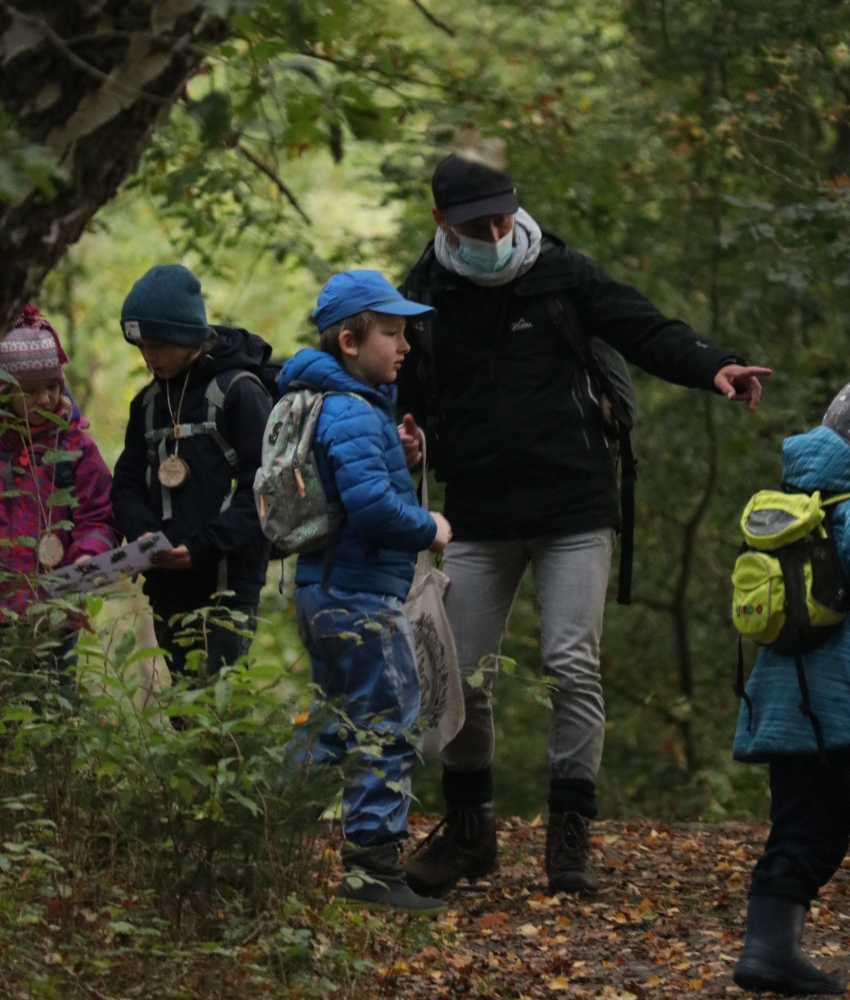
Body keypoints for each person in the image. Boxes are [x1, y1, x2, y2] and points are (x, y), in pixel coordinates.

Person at [396, 153, 771, 898]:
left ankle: (570, 840)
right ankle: (470, 831)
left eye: (503, 216)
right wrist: (403, 439)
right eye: (478, 224)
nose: (496, 232)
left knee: (572, 661)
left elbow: (644, 327)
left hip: (574, 505)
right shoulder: (421, 297)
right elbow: (394, 390)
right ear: (443, 222)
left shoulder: (563, 273)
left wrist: (715, 367)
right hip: (474, 514)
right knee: (458, 673)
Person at [281, 269, 451, 911]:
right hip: (358, 597)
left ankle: (257, 826)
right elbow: (375, 511)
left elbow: (352, 488)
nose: (404, 345)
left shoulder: (338, 403)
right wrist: (428, 527)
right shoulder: (351, 408)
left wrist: (398, 458)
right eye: (391, 332)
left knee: (334, 721)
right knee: (388, 718)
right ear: (349, 341)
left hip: (325, 590)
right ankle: (373, 870)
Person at [731, 388, 850, 996]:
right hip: (842, 711)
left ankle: (767, 950)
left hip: (788, 711)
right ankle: (770, 952)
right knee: (814, 832)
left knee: (803, 830)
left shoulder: (789, 510)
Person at [111, 264, 273, 678]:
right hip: (167, 581)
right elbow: (127, 482)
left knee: (218, 699)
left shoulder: (240, 391)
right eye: (141, 346)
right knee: (184, 706)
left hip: (228, 578)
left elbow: (265, 486)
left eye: (160, 345)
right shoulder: (146, 404)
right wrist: (144, 534)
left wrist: (202, 546)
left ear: (189, 335)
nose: (149, 357)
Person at [0, 305, 116, 675]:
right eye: (30, 391)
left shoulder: (76, 448)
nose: (46, 400)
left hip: (54, 609)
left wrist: (87, 554)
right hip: (3, 607)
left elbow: (99, 516)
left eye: (52, 387)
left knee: (53, 696)